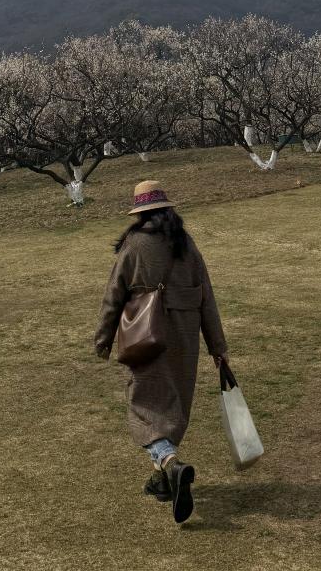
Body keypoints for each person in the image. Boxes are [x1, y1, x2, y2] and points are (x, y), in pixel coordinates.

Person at [94, 180, 228, 525]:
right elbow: (207, 296)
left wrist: (103, 339)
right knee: (174, 404)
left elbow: (114, 295)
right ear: (168, 209)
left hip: (146, 334)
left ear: (140, 213)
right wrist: (218, 347)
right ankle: (163, 482)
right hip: (186, 336)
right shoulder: (188, 245)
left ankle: (171, 464)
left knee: (144, 408)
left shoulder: (134, 245)